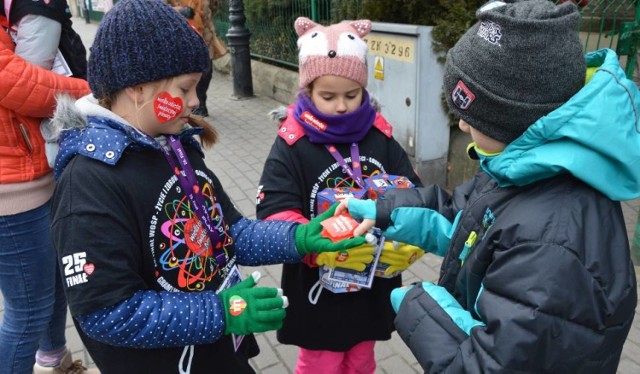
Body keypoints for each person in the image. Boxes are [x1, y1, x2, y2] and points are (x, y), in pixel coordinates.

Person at [47, 1, 364, 373]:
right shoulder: (88, 182)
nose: (196, 101)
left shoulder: (177, 145)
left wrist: (299, 238)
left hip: (218, 353)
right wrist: (221, 311)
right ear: (137, 87)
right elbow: (107, 312)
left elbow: (228, 232)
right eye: (185, 88)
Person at [337, 0, 640, 372]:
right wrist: (383, 209)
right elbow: (464, 219)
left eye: (469, 115)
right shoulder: (522, 168)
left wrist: (420, 307)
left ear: (512, 120)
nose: (462, 126)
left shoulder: (553, 244)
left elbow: (489, 364)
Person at [255, 17, 424, 374]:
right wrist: (314, 244)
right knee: (322, 362)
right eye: (328, 96)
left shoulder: (380, 135)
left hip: (371, 279)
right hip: (317, 286)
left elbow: (413, 191)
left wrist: (409, 235)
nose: (343, 106)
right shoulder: (292, 143)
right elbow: (274, 211)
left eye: (352, 95)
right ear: (308, 91)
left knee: (362, 357)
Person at [0, 10, 94, 374]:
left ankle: (54, 363)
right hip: (10, 194)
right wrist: (95, 88)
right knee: (28, 310)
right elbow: (23, 85)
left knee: (55, 285)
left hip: (35, 178)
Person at [167, 0, 228, 117]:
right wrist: (179, 11)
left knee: (206, 72)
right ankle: (188, 104)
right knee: (186, 73)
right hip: (179, 35)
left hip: (204, 34)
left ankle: (201, 102)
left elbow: (212, 8)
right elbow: (158, 8)